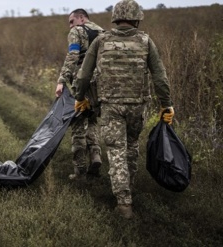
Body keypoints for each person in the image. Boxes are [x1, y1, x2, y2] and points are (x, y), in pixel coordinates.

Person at [73, 0, 174, 219]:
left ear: (115, 18)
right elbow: (160, 77)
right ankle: (128, 188)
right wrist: (167, 104)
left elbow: (83, 75)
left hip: (110, 105)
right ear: (137, 18)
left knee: (116, 149)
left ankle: (123, 202)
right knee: (131, 146)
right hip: (138, 106)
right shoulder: (146, 42)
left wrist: (79, 98)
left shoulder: (100, 41)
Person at [55, 8, 104, 181]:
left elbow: (73, 56)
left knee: (77, 124)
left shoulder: (77, 31)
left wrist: (62, 80)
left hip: (82, 83)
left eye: (71, 21)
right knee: (92, 120)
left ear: (81, 19)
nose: (70, 26)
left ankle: (80, 171)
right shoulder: (103, 32)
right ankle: (96, 156)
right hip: (101, 85)